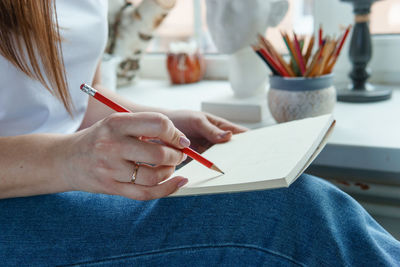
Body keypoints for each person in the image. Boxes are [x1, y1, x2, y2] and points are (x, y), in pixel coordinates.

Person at [0, 1, 399, 266]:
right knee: (286, 214)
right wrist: (68, 158)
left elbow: (73, 95)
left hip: (70, 185)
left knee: (289, 199)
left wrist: (164, 120)